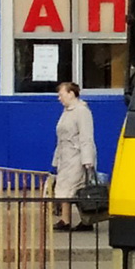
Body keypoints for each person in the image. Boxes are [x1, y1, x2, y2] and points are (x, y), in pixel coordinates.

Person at [51, 81, 97, 231]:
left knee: (76, 188)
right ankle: (66, 220)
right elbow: (60, 137)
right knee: (65, 187)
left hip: (77, 156)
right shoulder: (66, 111)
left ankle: (86, 220)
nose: (59, 98)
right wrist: (56, 159)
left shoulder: (82, 111)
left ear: (71, 94)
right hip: (66, 155)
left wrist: (87, 160)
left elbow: (86, 136)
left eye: (61, 94)